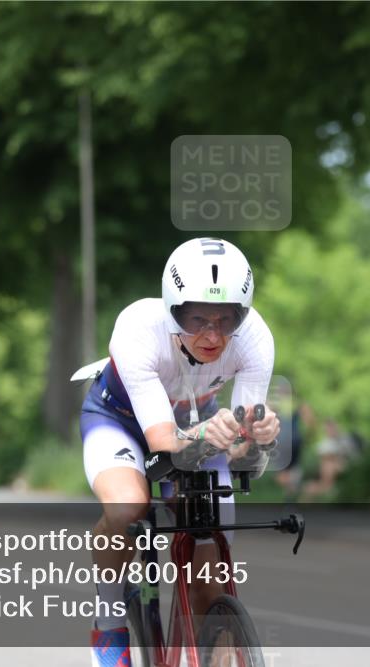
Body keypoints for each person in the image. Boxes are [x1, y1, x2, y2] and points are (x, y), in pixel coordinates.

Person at [76, 237, 279, 667]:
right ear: (172, 309)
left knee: (208, 553)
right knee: (128, 506)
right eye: (197, 318)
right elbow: (163, 443)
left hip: (196, 423)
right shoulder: (138, 327)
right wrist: (214, 430)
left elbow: (244, 451)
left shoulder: (255, 339)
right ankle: (109, 615)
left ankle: (213, 648)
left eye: (227, 319)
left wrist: (258, 435)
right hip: (122, 421)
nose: (212, 334)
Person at [301, 418, 358, 500]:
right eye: (327, 429)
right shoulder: (325, 443)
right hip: (326, 471)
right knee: (327, 464)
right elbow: (321, 454)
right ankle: (324, 487)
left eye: (331, 428)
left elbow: (348, 456)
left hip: (341, 466)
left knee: (329, 464)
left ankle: (325, 487)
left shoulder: (344, 440)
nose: (329, 431)